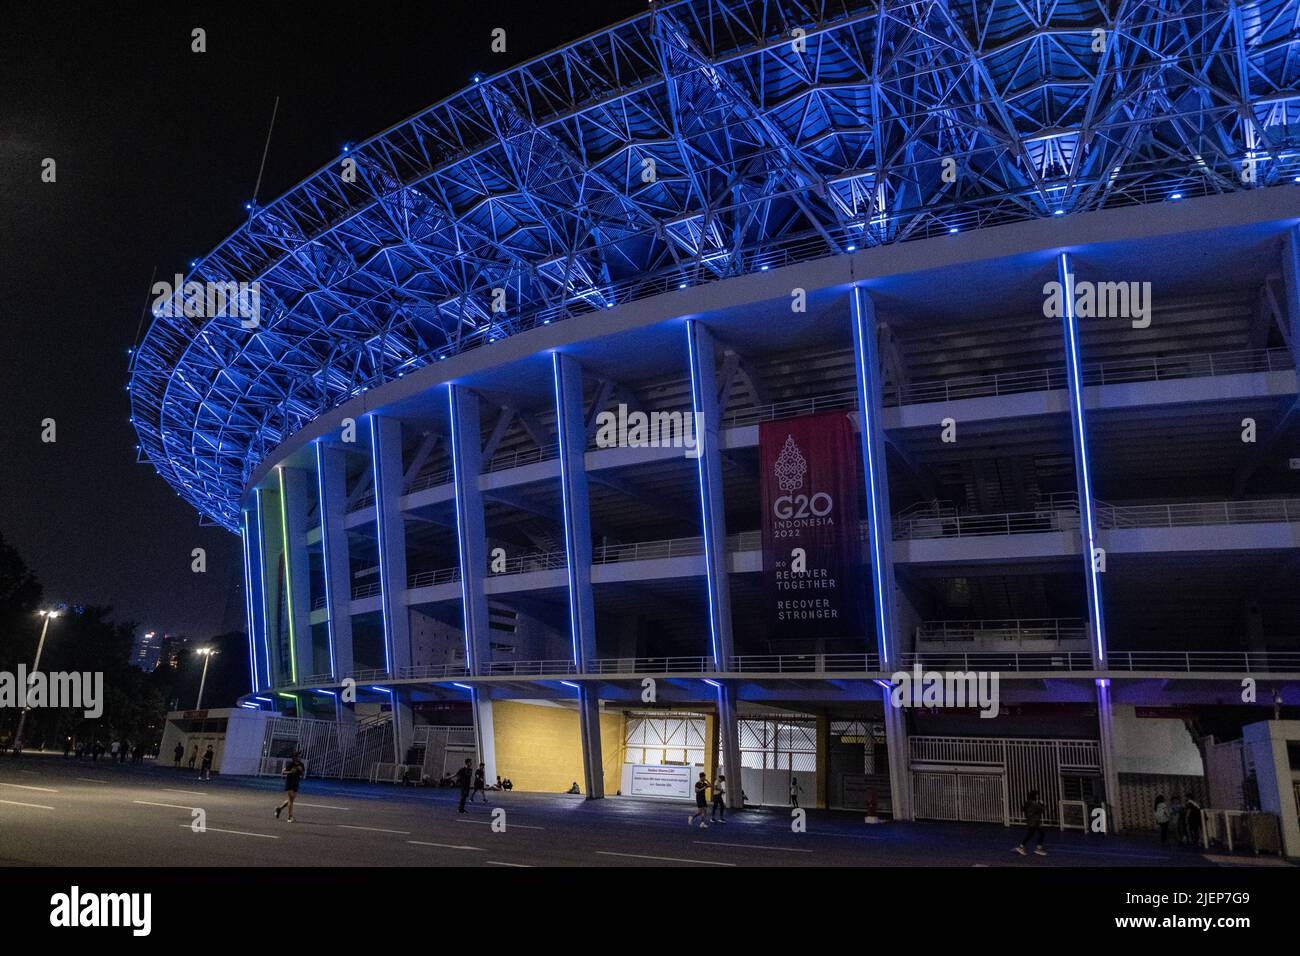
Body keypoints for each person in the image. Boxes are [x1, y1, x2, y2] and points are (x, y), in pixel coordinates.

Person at [1013, 789, 1047, 856]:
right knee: (1039, 834)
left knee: (1032, 834)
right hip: (1035, 821)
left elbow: (1023, 809)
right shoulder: (1034, 804)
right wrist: (1042, 804)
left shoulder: (1028, 803)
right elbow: (1042, 810)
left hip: (1030, 820)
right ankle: (1036, 849)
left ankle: (1022, 847)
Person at [275, 752, 305, 822]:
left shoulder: (301, 765)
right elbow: (283, 772)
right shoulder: (291, 764)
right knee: (291, 800)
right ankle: (289, 817)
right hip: (289, 783)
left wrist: (301, 770)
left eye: (300, 757)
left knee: (290, 800)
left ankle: (279, 809)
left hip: (296, 783)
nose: (300, 758)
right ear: (295, 757)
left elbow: (303, 775)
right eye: (299, 756)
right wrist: (291, 772)